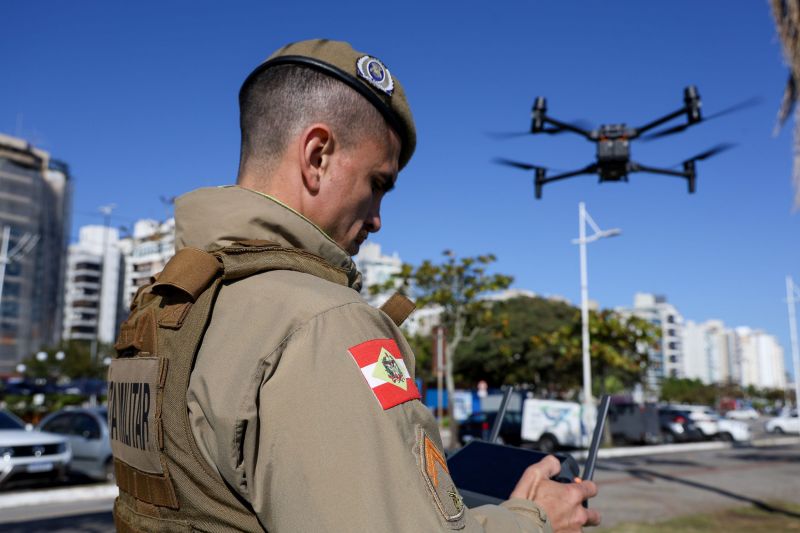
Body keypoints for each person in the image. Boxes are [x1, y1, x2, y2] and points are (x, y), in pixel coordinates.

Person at [108, 39, 600, 532]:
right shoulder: (322, 323)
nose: (378, 219)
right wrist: (536, 521)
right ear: (317, 155)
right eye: (377, 184)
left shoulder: (168, 306)